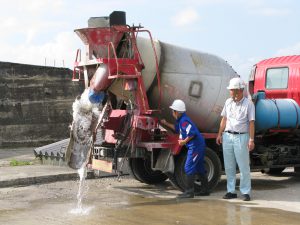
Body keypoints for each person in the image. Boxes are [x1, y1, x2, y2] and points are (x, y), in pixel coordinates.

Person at [216, 77, 255, 201]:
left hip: (241, 137)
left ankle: (245, 192)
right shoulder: (228, 102)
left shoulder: (249, 104)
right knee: (229, 166)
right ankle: (231, 191)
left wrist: (251, 140)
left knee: (243, 166)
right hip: (227, 136)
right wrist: (219, 134)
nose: (230, 92)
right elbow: (224, 119)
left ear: (239, 90)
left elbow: (251, 123)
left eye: (231, 90)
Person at [161, 99, 209, 198]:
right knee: (199, 167)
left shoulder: (184, 121)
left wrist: (184, 141)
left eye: (173, 110)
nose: (172, 112)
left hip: (195, 146)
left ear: (176, 112)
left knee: (188, 167)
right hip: (198, 145)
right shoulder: (181, 120)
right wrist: (165, 123)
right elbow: (176, 128)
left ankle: (189, 192)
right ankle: (205, 190)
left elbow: (192, 133)